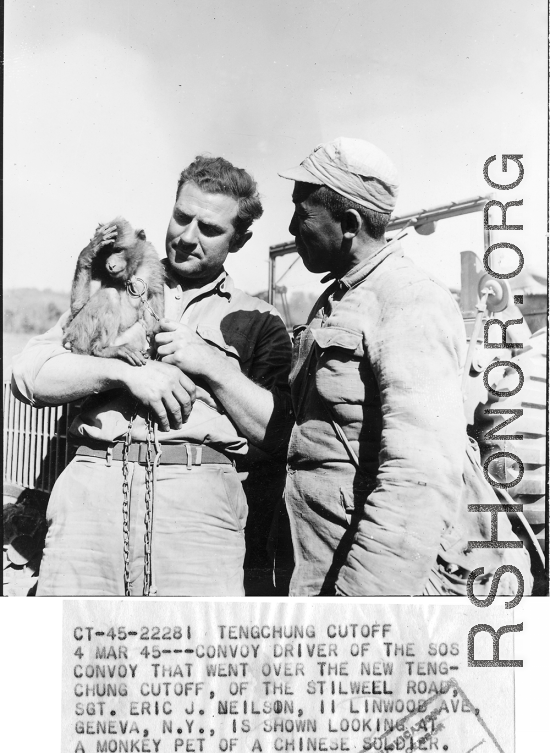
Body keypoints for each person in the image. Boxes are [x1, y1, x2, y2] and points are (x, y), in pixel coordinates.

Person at [12, 155, 292, 597]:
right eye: (182, 217)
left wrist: (213, 365)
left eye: (210, 229)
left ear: (240, 240)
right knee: (73, 654)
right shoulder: (116, 281)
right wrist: (121, 373)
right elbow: (29, 374)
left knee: (191, 659)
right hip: (91, 503)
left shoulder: (259, 321)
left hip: (197, 518)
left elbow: (278, 434)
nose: (186, 237)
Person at [279, 137, 531, 596]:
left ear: (350, 223)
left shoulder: (410, 299)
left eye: (303, 212)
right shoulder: (340, 297)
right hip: (320, 566)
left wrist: (362, 605)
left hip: (367, 587)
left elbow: (419, 477)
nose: (292, 226)